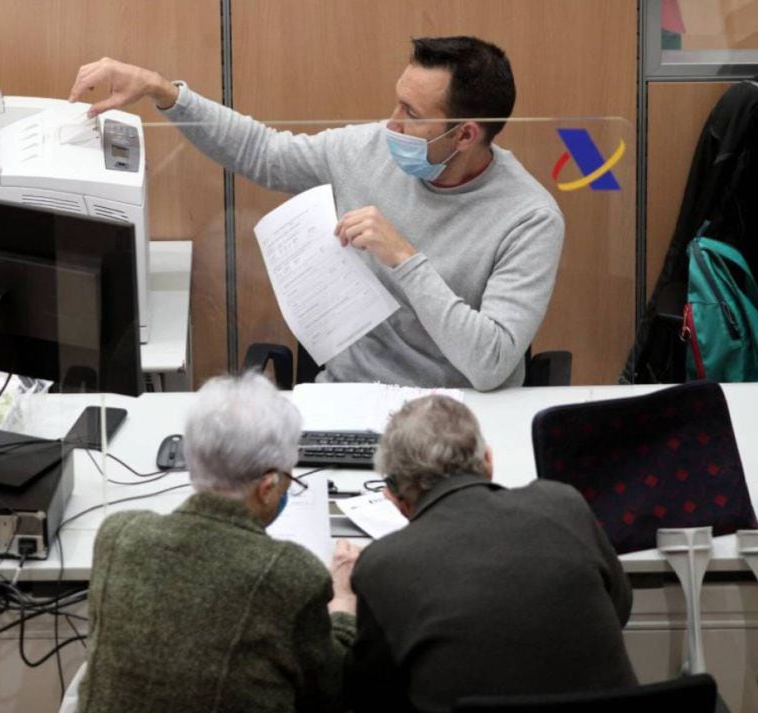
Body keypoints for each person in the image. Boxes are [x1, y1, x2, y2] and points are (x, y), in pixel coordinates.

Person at [69, 36, 564, 390]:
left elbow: (491, 363)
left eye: (413, 115)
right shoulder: (371, 148)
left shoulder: (529, 217)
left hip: (458, 415)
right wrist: (164, 91)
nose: (390, 123)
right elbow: (263, 152)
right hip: (348, 398)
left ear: (466, 135)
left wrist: (405, 259)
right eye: (397, 102)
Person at [77, 372, 359, 713]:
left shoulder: (117, 534)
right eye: (289, 476)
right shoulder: (292, 574)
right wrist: (343, 601)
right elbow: (331, 688)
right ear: (267, 488)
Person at [346, 395, 635, 713]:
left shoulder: (381, 566)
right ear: (488, 461)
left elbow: (371, 696)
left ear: (395, 496)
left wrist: (341, 609)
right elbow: (619, 607)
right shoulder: (564, 504)